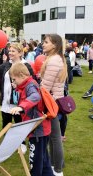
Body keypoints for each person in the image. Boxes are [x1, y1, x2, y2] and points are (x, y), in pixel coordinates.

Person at [9, 63, 53, 176]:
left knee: (35, 162)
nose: (13, 82)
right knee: (44, 161)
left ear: (22, 75)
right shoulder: (27, 85)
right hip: (41, 129)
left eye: (14, 79)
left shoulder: (30, 86)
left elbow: (35, 97)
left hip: (38, 131)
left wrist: (21, 107)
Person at [0, 43, 34, 130]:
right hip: (6, 102)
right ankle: (7, 143)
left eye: (13, 51)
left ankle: (21, 143)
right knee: (6, 127)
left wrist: (19, 86)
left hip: (19, 103)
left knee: (20, 126)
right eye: (9, 50)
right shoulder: (6, 64)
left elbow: (32, 83)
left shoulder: (26, 65)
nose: (10, 53)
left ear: (20, 53)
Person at [40, 34, 67, 176]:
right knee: (53, 137)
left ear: (54, 45)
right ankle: (55, 165)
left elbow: (45, 87)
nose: (43, 44)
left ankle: (58, 170)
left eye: (46, 42)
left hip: (51, 103)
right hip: (54, 102)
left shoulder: (54, 61)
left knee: (55, 138)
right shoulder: (55, 59)